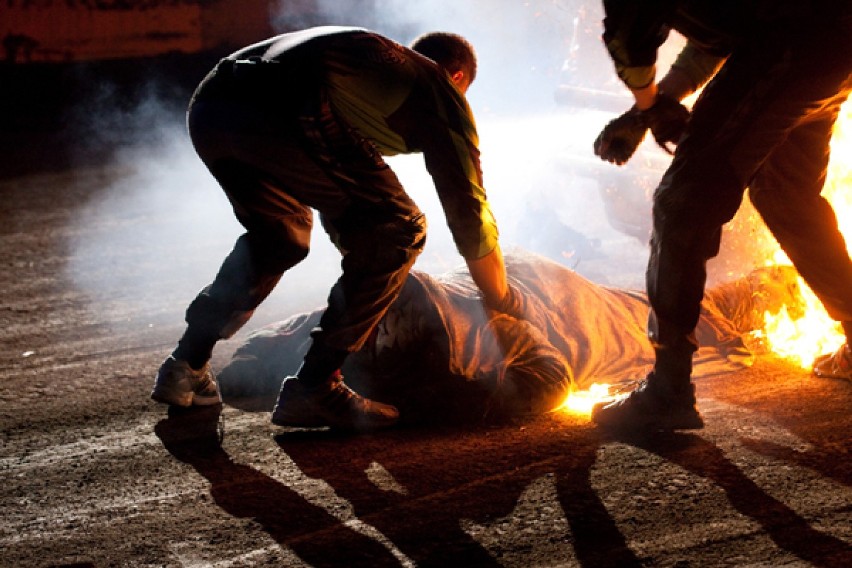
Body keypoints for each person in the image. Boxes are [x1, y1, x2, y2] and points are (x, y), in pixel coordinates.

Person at [151, 26, 519, 431]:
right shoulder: (439, 90)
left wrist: (371, 278)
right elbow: (469, 211)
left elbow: (343, 194)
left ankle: (185, 365)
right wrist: (500, 295)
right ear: (458, 78)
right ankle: (317, 387)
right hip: (289, 102)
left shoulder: (371, 71)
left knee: (281, 236)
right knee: (401, 229)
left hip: (212, 105)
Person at [590, 1, 852, 431]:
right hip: (828, 48)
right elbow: (713, 45)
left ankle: (668, 390)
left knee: (680, 204)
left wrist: (650, 106)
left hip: (791, 47)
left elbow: (629, 38)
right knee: (786, 198)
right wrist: (649, 110)